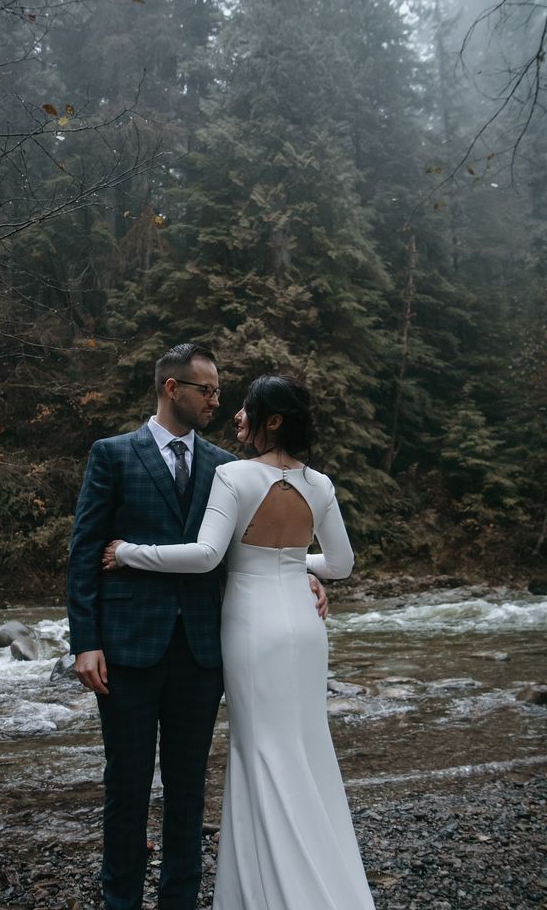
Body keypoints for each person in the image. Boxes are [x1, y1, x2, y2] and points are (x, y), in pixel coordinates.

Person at [66, 346, 328, 910]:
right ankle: (120, 901)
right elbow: (85, 551)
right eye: (206, 390)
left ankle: (179, 901)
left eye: (218, 391)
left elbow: (242, 552)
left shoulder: (227, 467)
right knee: (127, 785)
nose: (216, 401)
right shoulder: (112, 454)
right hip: (127, 647)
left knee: (188, 788)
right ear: (171, 388)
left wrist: (299, 574)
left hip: (204, 650)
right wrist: (84, 642)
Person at [102, 374, 377, 910]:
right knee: (306, 744)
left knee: (260, 749)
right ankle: (323, 877)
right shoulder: (320, 484)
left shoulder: (233, 475)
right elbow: (341, 564)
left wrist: (129, 552)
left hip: (253, 626)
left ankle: (269, 888)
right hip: (305, 627)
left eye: (247, 409)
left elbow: (207, 555)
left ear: (272, 420)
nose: (237, 415)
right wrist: (294, 565)